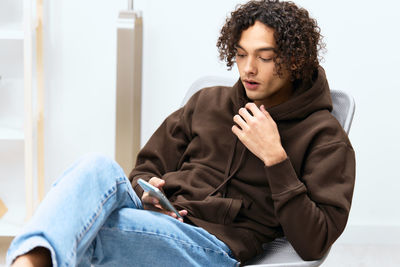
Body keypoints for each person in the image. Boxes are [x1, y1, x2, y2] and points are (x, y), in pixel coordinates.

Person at [7, 0, 355, 266]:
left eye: (264, 57)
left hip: (212, 246)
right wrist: (150, 193)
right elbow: (144, 169)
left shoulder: (324, 136)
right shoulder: (208, 102)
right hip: (156, 220)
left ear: (294, 59)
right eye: (241, 54)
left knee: (84, 229)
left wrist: (275, 158)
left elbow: (314, 243)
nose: (248, 68)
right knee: (96, 167)